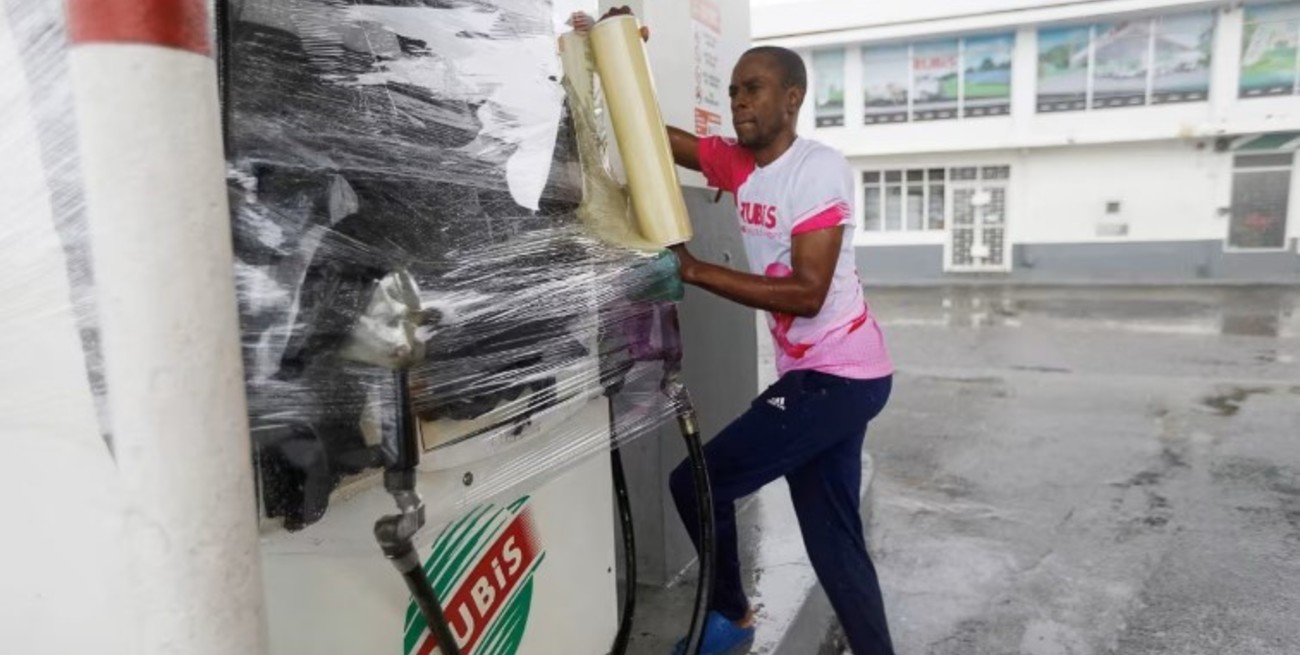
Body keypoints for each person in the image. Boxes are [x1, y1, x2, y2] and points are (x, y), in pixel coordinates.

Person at [580, 8, 896, 655]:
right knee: (833, 539)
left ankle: (732, 617)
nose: (739, 101)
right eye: (732, 91)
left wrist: (692, 269)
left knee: (695, 483)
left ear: (792, 97)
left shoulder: (817, 169)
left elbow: (808, 293)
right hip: (828, 378)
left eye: (753, 88)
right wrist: (615, 52)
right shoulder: (738, 165)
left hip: (835, 377)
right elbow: (651, 134)